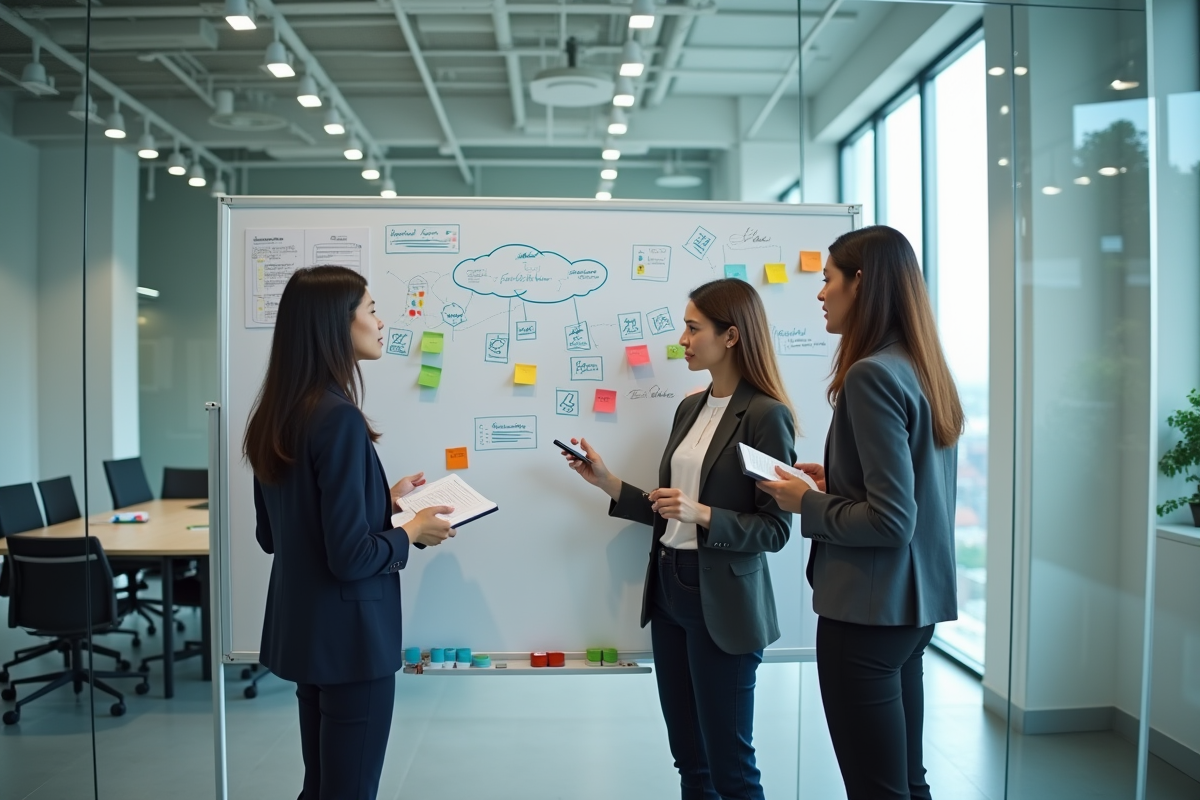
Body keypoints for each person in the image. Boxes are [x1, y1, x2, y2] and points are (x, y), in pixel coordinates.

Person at [562, 278, 796, 800]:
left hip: (723, 601)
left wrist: (705, 514)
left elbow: (777, 529)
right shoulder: (690, 407)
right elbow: (673, 511)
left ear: (731, 335)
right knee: (689, 761)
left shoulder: (765, 415)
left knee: (730, 767)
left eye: (693, 329)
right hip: (669, 591)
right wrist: (607, 482)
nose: (683, 341)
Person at [758, 225, 962, 800]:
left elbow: (891, 522)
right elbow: (914, 492)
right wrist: (834, 482)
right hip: (911, 610)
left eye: (827, 280)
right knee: (905, 781)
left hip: (866, 616)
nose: (820, 294)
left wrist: (808, 503)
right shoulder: (921, 367)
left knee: (875, 789)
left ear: (860, 283)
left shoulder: (870, 374)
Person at [243, 265, 456, 800]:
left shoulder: (279, 412)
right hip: (350, 640)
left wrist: (379, 502)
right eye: (372, 310)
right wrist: (411, 530)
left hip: (307, 634)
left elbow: (277, 532)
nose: (383, 323)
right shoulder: (336, 418)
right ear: (336, 326)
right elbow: (351, 557)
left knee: (321, 786)